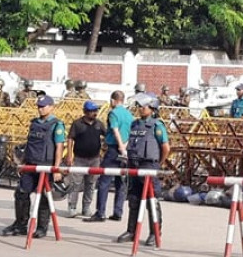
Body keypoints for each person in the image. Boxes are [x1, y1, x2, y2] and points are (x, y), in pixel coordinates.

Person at [2, 95, 66, 238]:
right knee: (21, 193)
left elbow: (59, 147)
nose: (40, 109)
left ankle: (42, 228)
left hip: (46, 166)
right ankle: (20, 225)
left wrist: (56, 168)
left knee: (44, 197)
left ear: (51, 107)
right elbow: (30, 144)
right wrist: (23, 163)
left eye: (43, 106)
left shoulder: (57, 125)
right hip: (31, 165)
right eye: (39, 106)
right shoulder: (34, 123)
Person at [117, 94, 169, 247]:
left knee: (152, 202)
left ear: (152, 108)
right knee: (134, 199)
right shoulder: (135, 124)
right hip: (134, 164)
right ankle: (131, 231)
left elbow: (165, 147)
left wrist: (159, 163)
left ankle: (155, 233)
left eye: (143, 106)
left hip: (148, 165)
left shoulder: (157, 125)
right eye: (139, 106)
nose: (140, 109)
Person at [85, 91, 132, 223]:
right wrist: (125, 147)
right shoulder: (129, 115)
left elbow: (115, 130)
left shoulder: (113, 113)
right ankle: (118, 212)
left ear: (113, 100)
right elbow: (130, 133)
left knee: (104, 181)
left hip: (114, 150)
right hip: (125, 149)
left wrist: (120, 147)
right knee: (120, 182)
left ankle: (100, 213)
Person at [64, 101, 105, 218]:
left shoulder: (99, 124)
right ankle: (72, 207)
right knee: (75, 184)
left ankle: (86, 207)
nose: (95, 113)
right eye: (92, 111)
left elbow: (107, 135)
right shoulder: (77, 124)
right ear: (85, 112)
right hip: (79, 159)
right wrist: (69, 155)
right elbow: (70, 139)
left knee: (91, 184)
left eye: (95, 111)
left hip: (94, 159)